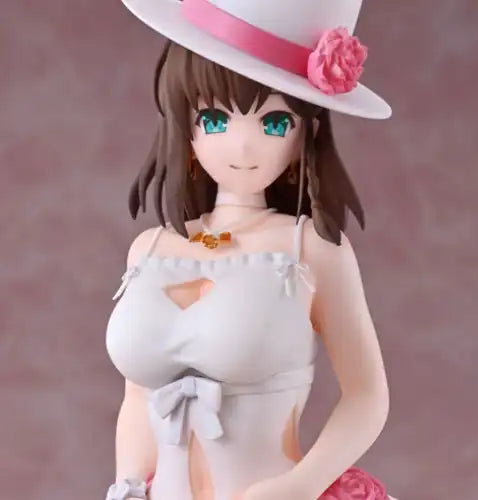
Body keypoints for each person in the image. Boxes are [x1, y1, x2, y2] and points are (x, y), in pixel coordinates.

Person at [104, 0, 399, 499]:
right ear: (185, 123)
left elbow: (367, 396)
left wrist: (300, 486)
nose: (243, 146)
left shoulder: (311, 250)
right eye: (215, 119)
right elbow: (138, 400)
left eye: (275, 123)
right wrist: (128, 485)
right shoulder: (149, 250)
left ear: (305, 135)